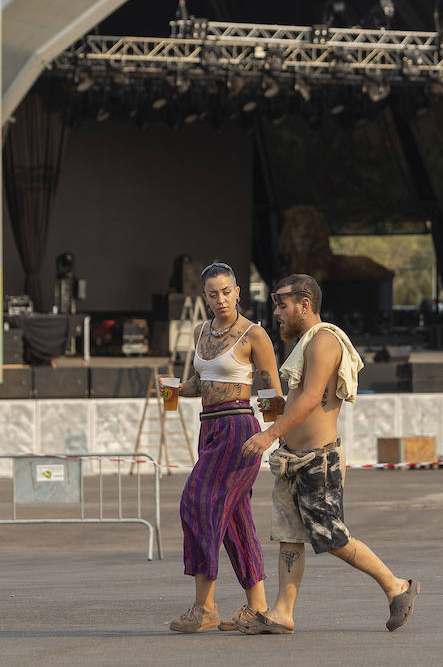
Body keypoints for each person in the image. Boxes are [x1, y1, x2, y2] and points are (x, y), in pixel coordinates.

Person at [238, 273, 418, 634]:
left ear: (305, 304)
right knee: (289, 535)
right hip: (293, 458)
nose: (277, 312)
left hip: (318, 460)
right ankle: (282, 612)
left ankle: (396, 586)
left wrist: (268, 433)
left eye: (282, 304)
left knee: (331, 537)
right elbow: (295, 400)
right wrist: (272, 407)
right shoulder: (304, 343)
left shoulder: (324, 340)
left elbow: (309, 399)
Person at [170, 262, 282, 633]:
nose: (221, 299)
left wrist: (273, 435)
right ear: (205, 297)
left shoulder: (254, 334)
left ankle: (205, 607)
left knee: (197, 502)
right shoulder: (202, 331)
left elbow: (270, 388)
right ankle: (259, 607)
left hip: (238, 428)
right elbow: (202, 381)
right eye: (213, 293)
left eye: (227, 291)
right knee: (235, 519)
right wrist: (173, 388)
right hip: (209, 428)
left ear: (238, 291)